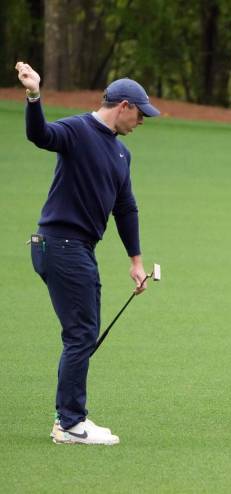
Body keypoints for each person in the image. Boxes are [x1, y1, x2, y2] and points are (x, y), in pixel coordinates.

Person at [15, 61, 160, 445]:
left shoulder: (122, 154)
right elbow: (40, 135)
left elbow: (126, 208)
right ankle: (70, 423)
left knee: (82, 332)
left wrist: (136, 262)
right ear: (125, 105)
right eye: (141, 113)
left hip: (76, 248)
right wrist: (34, 95)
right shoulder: (77, 130)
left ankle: (70, 418)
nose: (143, 121)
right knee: (81, 335)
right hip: (60, 244)